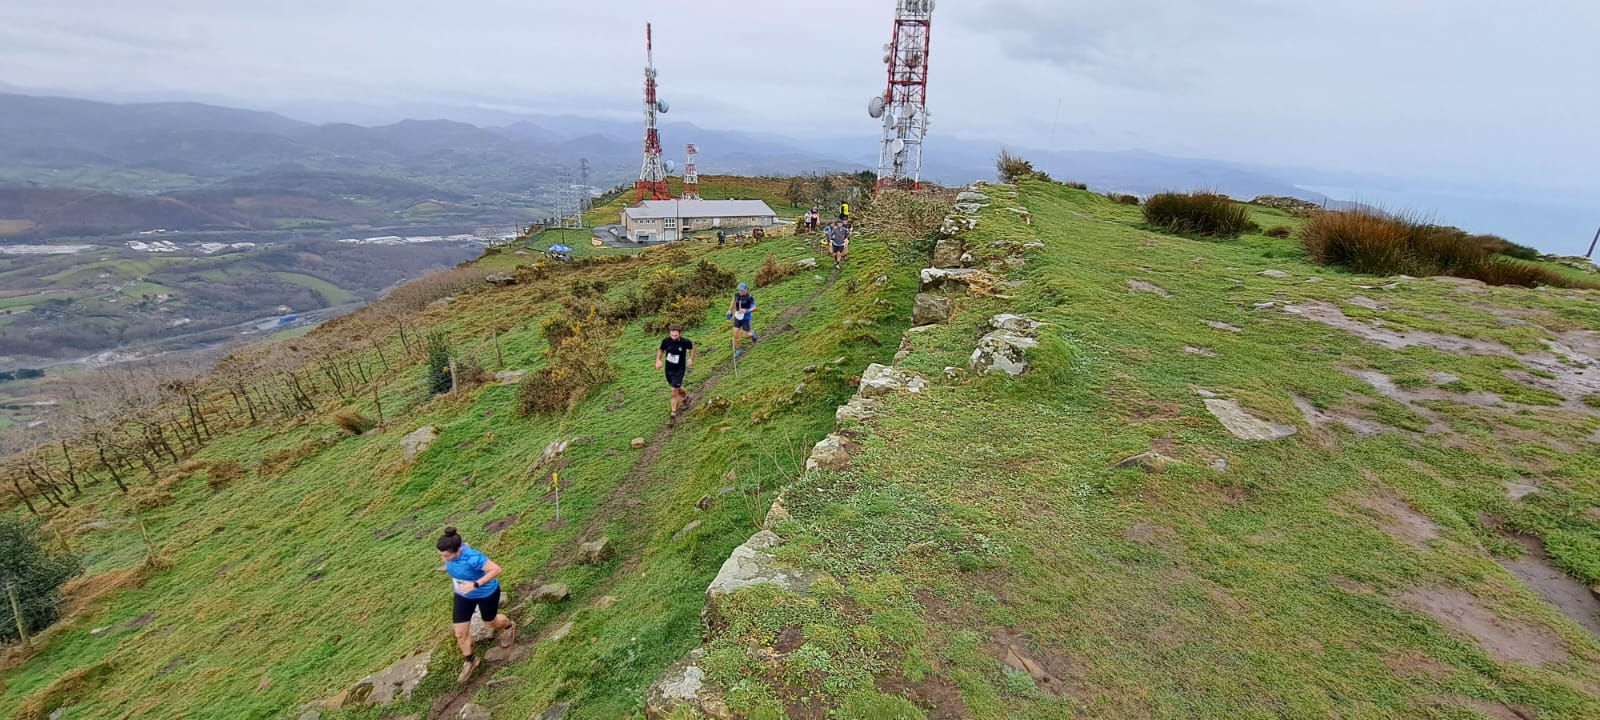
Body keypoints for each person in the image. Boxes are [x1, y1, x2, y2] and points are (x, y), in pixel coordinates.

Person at [437, 527, 514, 684]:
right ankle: (471, 660)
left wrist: (475, 584)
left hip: (486, 593)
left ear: (458, 551)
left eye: (446, 556)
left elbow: (496, 569)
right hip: (463, 595)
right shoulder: (460, 547)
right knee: (459, 633)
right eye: (441, 556)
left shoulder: (473, 557)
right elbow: (466, 544)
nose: (443, 558)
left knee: (490, 623)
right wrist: (450, 566)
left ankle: (509, 626)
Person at [656, 325, 695, 421]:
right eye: (672, 335)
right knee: (677, 388)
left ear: (680, 334)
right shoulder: (666, 341)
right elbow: (661, 349)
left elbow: (692, 348)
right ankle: (686, 397)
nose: (674, 337)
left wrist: (691, 358)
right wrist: (658, 360)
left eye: (676, 336)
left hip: (679, 369)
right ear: (670, 333)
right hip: (668, 369)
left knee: (674, 392)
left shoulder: (685, 342)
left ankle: (673, 412)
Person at [727, 283, 758, 358]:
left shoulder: (750, 297)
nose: (741, 292)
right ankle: (738, 349)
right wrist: (730, 310)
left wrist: (746, 310)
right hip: (737, 317)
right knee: (735, 334)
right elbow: (734, 302)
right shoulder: (737, 295)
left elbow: (755, 308)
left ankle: (752, 334)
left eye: (742, 290)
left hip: (746, 318)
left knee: (745, 335)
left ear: (746, 289)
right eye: (740, 290)